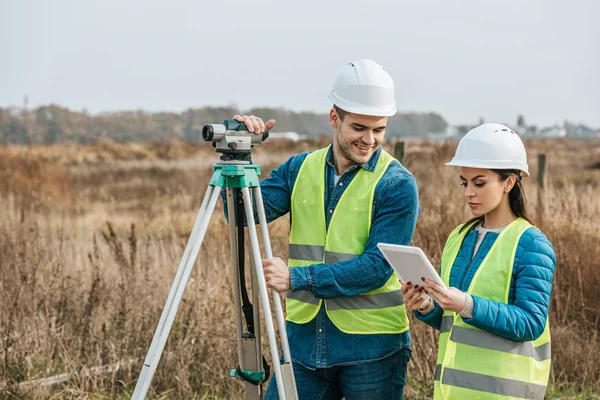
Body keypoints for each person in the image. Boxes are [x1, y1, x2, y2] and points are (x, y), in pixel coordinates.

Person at [232, 59, 420, 399]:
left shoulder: (397, 185)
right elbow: (241, 215)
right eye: (360, 128)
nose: (370, 139)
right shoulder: (299, 168)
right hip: (303, 342)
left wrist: (297, 279)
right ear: (335, 118)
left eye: (379, 130)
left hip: (372, 347)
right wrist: (238, 156)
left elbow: (377, 269)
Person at [402, 123, 556, 400]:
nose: (468, 192)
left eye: (479, 183)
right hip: (451, 393)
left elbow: (531, 322)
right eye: (465, 182)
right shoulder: (459, 237)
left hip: (504, 394)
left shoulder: (532, 245)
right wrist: (427, 306)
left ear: (509, 182)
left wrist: (466, 304)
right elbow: (452, 321)